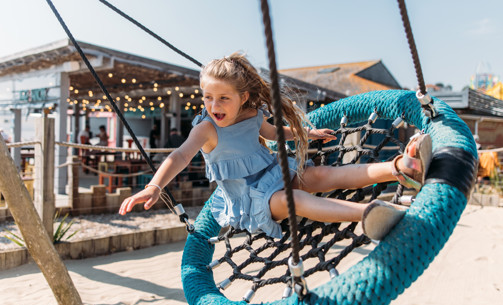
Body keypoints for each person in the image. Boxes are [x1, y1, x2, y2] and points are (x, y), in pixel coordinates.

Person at [119, 53, 432, 241]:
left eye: (223, 98)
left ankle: (400, 169)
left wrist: (307, 134)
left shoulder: (252, 114)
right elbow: (180, 155)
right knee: (294, 198)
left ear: (243, 97)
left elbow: (276, 134)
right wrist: (155, 186)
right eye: (207, 97)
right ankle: (370, 214)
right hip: (254, 201)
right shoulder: (206, 128)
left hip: (275, 174)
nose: (214, 105)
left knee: (320, 175)